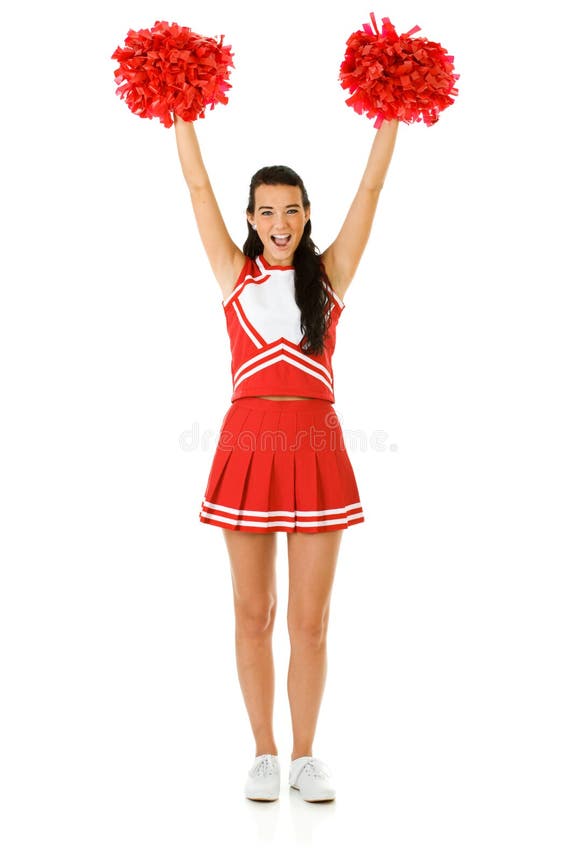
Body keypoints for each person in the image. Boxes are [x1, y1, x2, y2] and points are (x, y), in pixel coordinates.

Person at [174, 113, 399, 802]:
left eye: (291, 210)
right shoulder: (233, 274)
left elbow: (370, 188)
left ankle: (304, 756)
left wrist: (393, 110)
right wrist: (178, 107)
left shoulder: (330, 276)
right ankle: (264, 754)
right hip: (247, 449)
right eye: (267, 211)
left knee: (310, 621)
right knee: (254, 613)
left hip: (316, 450)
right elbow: (197, 184)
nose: (280, 222)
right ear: (250, 217)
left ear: (306, 216)